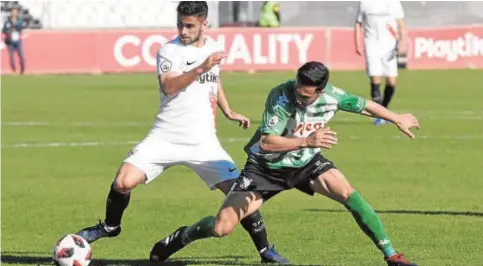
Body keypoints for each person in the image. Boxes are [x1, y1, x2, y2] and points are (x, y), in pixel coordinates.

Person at [76, 1, 288, 264]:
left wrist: (228, 110)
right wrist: (200, 67)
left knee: (240, 192)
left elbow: (214, 80)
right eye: (180, 24)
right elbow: (168, 86)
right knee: (122, 182)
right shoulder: (169, 51)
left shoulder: (211, 50)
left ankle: (265, 250)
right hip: (164, 136)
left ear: (204, 24)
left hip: (203, 143)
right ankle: (110, 227)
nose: (183, 30)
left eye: (189, 25)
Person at [150, 61, 420, 266]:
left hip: (306, 164)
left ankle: (391, 255)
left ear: (321, 91)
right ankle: (183, 236)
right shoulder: (280, 97)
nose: (300, 99)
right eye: (298, 92)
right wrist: (308, 141)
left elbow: (365, 105)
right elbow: (267, 142)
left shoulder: (333, 97)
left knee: (349, 194)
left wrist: (396, 118)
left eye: (306, 97)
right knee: (222, 228)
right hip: (265, 169)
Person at [354, 0, 408, 125]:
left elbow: (401, 24)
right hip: (372, 45)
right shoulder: (365, 3)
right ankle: (378, 115)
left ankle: (384, 110)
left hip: (389, 47)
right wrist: (357, 43)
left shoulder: (394, 3)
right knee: (375, 78)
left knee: (392, 81)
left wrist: (402, 41)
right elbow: (358, 23)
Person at [2, 7, 25, 75]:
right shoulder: (8, 21)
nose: (14, 13)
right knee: (11, 56)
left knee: (21, 55)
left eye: (15, 11)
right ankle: (14, 70)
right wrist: (8, 32)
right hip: (10, 41)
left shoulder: (20, 20)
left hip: (17, 40)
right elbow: (4, 30)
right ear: (11, 12)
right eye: (13, 11)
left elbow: (21, 29)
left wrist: (19, 30)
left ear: (17, 13)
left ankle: (22, 70)